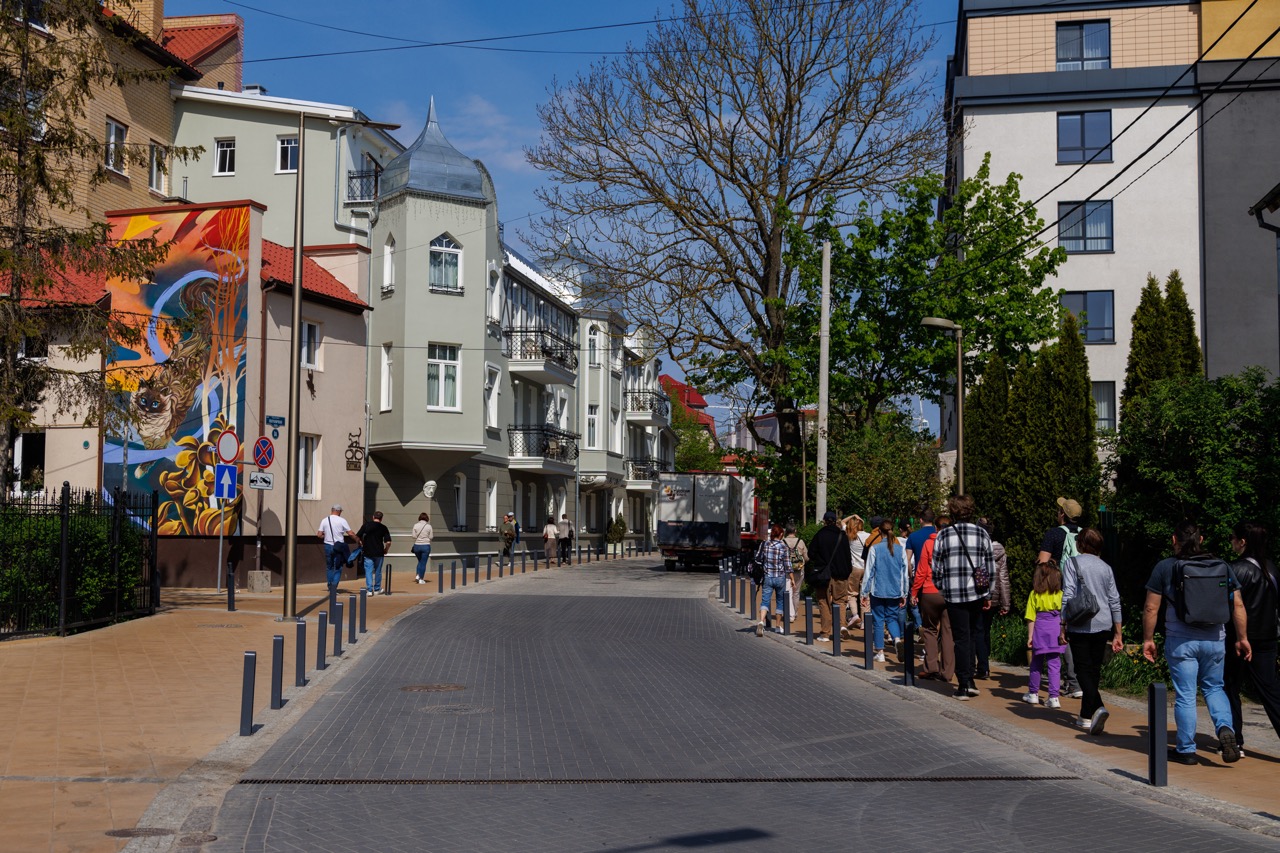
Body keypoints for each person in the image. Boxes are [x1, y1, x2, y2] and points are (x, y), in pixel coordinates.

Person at [1142, 519, 1250, 765]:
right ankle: (1226, 729)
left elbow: (1151, 608)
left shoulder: (1165, 567)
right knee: (1214, 687)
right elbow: (1238, 605)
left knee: (1186, 695)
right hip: (1215, 640)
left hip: (1181, 641)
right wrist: (1242, 638)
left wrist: (1148, 639)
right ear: (1201, 540)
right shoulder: (1221, 565)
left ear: (1174, 541)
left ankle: (1186, 749)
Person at [930, 494, 995, 701]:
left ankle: (964, 683)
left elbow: (936, 568)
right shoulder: (982, 534)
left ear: (953, 512)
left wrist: (943, 587)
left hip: (954, 593)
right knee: (975, 633)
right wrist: (987, 593)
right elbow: (990, 566)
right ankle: (970, 680)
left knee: (960, 638)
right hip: (976, 592)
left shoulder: (944, 535)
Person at [1061, 527, 1123, 734]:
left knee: (1081, 669)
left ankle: (1098, 706)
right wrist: (1118, 632)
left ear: (1081, 544)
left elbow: (1068, 594)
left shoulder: (1072, 563)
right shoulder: (1106, 568)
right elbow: (1114, 599)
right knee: (1093, 669)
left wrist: (1063, 623)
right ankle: (1086, 715)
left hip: (1079, 622)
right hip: (1103, 622)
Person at [1224, 521, 1280, 753]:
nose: (1231, 542)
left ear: (1243, 542)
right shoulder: (1272, 568)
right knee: (1271, 691)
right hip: (1268, 637)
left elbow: (1229, 605)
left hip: (1239, 637)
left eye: (1233, 538)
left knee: (1230, 686)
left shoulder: (1235, 569)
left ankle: (1235, 738)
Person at [1037, 497, 1085, 698]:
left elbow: (1043, 564)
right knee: (1080, 635)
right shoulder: (1086, 534)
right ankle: (1080, 682)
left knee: (1063, 635)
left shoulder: (1054, 534)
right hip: (1083, 592)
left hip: (1061, 590)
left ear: (1063, 515)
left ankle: (1072, 683)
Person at [861, 517, 912, 662]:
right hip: (895, 590)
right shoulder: (900, 549)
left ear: (879, 531)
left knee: (878, 620)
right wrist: (904, 593)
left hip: (878, 589)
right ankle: (896, 640)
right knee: (892, 618)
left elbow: (869, 572)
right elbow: (904, 574)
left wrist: (864, 593)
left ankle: (880, 652)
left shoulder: (875, 549)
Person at [912, 514, 953, 682]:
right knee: (948, 632)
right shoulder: (954, 544)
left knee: (929, 629)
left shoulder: (929, 543)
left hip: (930, 591)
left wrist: (914, 592)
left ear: (936, 528)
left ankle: (931, 668)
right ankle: (948, 672)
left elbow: (921, 570)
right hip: (950, 592)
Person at [1023, 560, 1066, 709]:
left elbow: (1031, 617)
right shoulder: (1060, 594)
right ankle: (1054, 697)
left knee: (1036, 661)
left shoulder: (1034, 594)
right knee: (1055, 663)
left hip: (1040, 628)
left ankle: (1033, 693)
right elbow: (1065, 616)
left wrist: (1030, 637)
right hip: (1055, 628)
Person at [806, 510, 851, 643]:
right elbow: (847, 556)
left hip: (823, 575)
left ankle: (825, 633)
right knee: (841, 601)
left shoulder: (820, 535)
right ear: (836, 521)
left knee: (823, 602)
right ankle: (842, 625)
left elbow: (811, 554)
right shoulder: (842, 535)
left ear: (825, 521)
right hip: (840, 575)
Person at [975, 517, 1011, 679]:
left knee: (978, 630)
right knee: (986, 631)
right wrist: (1006, 603)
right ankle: (985, 663)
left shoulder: (977, 547)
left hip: (979, 594)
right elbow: (1003, 578)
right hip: (995, 597)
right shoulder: (1000, 550)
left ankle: (982, 666)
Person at [755, 524, 790, 636]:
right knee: (780, 601)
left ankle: (761, 621)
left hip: (767, 576)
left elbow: (758, 559)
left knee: (765, 600)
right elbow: (788, 565)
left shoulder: (764, 544)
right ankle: (778, 626)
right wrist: (792, 578)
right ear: (780, 534)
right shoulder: (783, 546)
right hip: (780, 577)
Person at [317, 505, 355, 592]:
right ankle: (334, 587)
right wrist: (357, 539)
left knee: (329, 567)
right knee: (338, 567)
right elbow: (350, 533)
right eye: (341, 511)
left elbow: (319, 534)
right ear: (338, 511)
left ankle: (330, 586)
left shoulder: (325, 520)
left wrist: (326, 536)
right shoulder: (342, 520)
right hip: (339, 546)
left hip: (327, 545)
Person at [356, 510, 392, 595]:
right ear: (381, 519)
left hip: (368, 551)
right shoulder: (383, 527)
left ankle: (369, 590)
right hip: (379, 552)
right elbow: (388, 542)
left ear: (373, 517)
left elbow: (358, 535)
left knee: (368, 571)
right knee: (378, 571)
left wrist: (360, 542)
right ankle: (377, 589)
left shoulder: (366, 525)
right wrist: (386, 550)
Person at [842, 515, 868, 628]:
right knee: (865, 594)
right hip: (866, 568)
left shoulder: (849, 535)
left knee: (852, 593)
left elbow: (842, 521)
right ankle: (865, 622)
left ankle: (855, 615)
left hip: (854, 568)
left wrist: (852, 516)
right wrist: (860, 518)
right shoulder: (868, 536)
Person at [782, 523, 809, 626]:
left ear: (786, 532)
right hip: (799, 570)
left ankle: (789, 613)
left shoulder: (782, 542)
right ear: (795, 531)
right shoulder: (800, 542)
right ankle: (795, 613)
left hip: (786, 571)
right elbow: (806, 557)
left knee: (787, 591)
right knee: (796, 592)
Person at [411, 512, 434, 584]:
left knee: (420, 561)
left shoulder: (415, 525)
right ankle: (421, 578)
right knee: (423, 563)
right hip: (426, 545)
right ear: (427, 518)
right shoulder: (429, 526)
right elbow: (431, 537)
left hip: (417, 546)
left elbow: (414, 536)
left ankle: (417, 575)